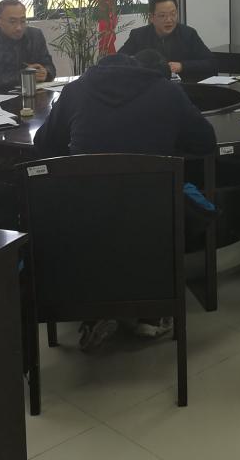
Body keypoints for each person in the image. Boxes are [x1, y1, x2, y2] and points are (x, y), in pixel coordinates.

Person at [33, 49, 217, 350]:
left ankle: (95, 308)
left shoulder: (75, 90)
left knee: (103, 214)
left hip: (83, 216)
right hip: (153, 215)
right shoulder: (167, 91)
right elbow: (206, 142)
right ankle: (151, 313)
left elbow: (43, 144)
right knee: (181, 204)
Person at [118, 0, 217, 79]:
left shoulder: (188, 34)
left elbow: (211, 63)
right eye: (162, 15)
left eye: (173, 14)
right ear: (151, 17)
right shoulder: (138, 35)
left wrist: (182, 66)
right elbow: (119, 61)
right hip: (147, 86)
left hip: (182, 87)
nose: (169, 20)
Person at [0, 0, 56, 91]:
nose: (19, 28)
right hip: (0, 96)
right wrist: (22, 76)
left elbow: (50, 66)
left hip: (35, 93)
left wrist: (45, 73)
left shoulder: (35, 36)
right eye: (12, 22)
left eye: (23, 21)